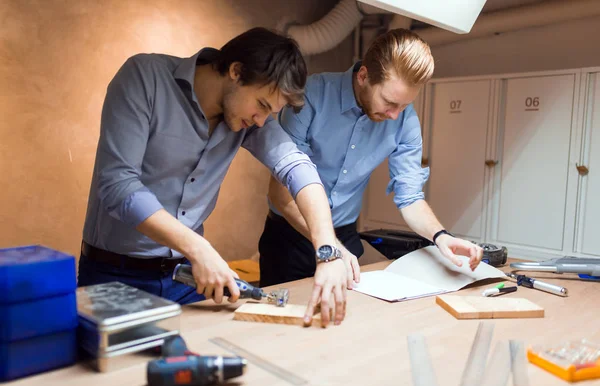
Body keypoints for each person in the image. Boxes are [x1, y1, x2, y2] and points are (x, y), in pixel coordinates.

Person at [79, 27, 347, 326]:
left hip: (188, 278)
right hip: (115, 277)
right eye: (261, 105)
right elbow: (118, 185)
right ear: (236, 71)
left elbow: (296, 165)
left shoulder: (249, 120)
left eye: (270, 113)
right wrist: (198, 248)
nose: (261, 121)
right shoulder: (144, 77)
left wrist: (328, 250)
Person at [259, 29, 483, 287]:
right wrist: (329, 245)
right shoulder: (310, 97)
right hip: (290, 237)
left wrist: (441, 236)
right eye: (389, 102)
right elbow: (281, 194)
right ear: (363, 76)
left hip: (344, 235)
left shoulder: (404, 120)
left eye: (404, 105)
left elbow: (410, 197)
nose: (395, 115)